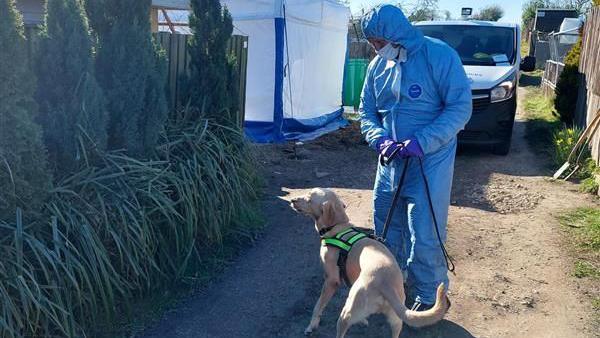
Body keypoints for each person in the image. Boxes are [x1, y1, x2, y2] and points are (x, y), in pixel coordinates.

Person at [359, 4, 472, 311]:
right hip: (390, 164)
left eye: (380, 43)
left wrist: (422, 141)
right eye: (372, 44)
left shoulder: (440, 56)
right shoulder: (376, 68)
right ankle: (393, 287)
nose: (376, 49)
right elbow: (366, 112)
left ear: (397, 35)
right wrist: (379, 138)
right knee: (385, 229)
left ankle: (429, 299)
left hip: (429, 163)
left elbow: (460, 108)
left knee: (425, 233)